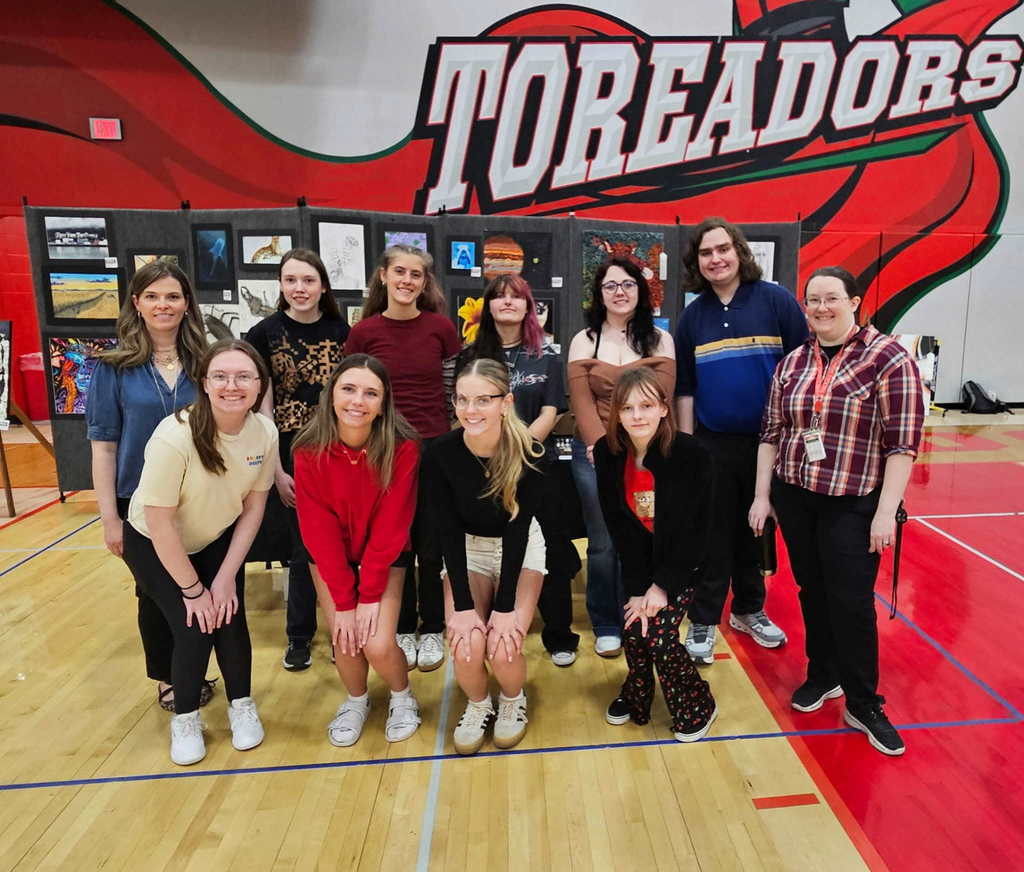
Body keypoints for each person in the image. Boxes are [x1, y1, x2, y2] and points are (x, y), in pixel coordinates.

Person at [749, 266, 923, 756]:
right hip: (798, 497)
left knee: (850, 601)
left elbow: (902, 445)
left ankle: (863, 701)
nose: (820, 308)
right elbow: (772, 433)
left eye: (830, 299)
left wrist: (886, 513)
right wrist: (764, 496)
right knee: (812, 590)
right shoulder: (794, 363)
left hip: (855, 503)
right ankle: (823, 673)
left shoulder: (889, 359)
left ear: (855, 302)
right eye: (812, 301)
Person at [121, 339, 277, 766]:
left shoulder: (264, 432)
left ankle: (242, 705)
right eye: (221, 376)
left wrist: (225, 578)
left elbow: (254, 507)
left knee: (229, 616)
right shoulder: (175, 437)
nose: (233, 385)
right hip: (155, 543)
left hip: (214, 538)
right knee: (195, 624)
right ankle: (186, 718)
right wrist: (193, 590)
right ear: (204, 383)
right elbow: (158, 522)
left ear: (259, 384)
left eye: (244, 376)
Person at [674, 217, 807, 665]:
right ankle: (705, 618)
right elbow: (685, 389)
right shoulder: (692, 317)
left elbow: (804, 369)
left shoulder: (776, 301)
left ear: (739, 252)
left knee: (756, 529)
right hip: (713, 443)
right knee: (712, 533)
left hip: (770, 442)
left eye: (723, 249)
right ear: (698, 263)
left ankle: (749, 609)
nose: (716, 259)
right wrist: (689, 450)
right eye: (706, 253)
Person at [424, 358, 572, 755]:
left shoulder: (530, 453)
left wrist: (505, 608)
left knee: (503, 646)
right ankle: (477, 704)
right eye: (462, 400)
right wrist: (465, 608)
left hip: (519, 549)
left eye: (483, 401)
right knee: (467, 645)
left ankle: (511, 700)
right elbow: (448, 533)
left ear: (505, 402)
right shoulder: (440, 454)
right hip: (467, 549)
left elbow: (518, 531)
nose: (470, 411)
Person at [87, 259, 213, 713]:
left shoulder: (205, 362)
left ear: (186, 305)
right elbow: (103, 447)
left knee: (195, 584)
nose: (164, 304)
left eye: (174, 296)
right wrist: (109, 519)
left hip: (198, 498)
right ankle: (168, 676)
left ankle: (192, 667)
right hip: (137, 503)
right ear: (137, 304)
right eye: (154, 296)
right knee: (157, 592)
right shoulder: (112, 367)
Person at [293, 355, 422, 747]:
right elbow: (318, 531)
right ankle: (356, 700)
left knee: (378, 643)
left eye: (371, 393)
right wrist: (346, 602)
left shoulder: (404, 449)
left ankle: (402, 696)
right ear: (332, 394)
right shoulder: (307, 451)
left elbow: (392, 525)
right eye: (349, 389)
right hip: (332, 557)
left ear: (383, 404)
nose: (358, 401)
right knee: (345, 638)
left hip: (385, 553)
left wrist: (369, 594)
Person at [345, 244, 460, 673]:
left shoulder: (440, 328)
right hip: (382, 448)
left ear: (425, 283)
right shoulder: (364, 332)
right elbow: (353, 395)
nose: (408, 281)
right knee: (391, 542)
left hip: (432, 446)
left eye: (416, 274)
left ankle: (431, 627)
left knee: (431, 542)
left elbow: (453, 392)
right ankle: (400, 626)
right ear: (383, 276)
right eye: (400, 272)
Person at [457, 273, 581, 666]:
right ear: (488, 306)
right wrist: (493, 451)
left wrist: (518, 447)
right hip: (484, 468)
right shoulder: (471, 356)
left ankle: (559, 634)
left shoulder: (546, 353)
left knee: (552, 549)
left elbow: (551, 409)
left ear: (529, 307)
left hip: (535, 466)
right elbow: (465, 410)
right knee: (494, 549)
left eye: (517, 297)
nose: (507, 302)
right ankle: (492, 625)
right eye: (499, 296)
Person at [594, 368, 717, 741]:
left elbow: (695, 532)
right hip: (643, 562)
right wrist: (637, 588)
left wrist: (661, 587)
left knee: (660, 635)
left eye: (646, 405)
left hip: (688, 562)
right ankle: (638, 694)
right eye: (627, 408)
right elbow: (620, 528)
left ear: (664, 408)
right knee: (635, 627)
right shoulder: (607, 452)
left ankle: (699, 702)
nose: (637, 416)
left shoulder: (691, 455)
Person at [245, 248, 349, 672]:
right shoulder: (263, 333)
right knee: (302, 547)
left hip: (339, 449)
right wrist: (276, 469)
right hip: (289, 451)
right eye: (291, 280)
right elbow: (261, 404)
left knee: (343, 544)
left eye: (308, 280)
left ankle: (348, 631)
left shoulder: (344, 333)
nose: (299, 288)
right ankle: (299, 636)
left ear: (323, 285)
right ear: (281, 286)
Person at [568, 258, 676, 658]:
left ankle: (643, 613)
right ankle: (607, 622)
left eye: (627, 284)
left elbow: (659, 399)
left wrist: (639, 453)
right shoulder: (585, 340)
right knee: (601, 542)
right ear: (599, 294)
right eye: (610, 285)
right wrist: (600, 448)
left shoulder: (661, 340)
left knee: (645, 536)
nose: (619, 292)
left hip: (648, 454)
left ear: (640, 291)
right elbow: (581, 401)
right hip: (594, 454)